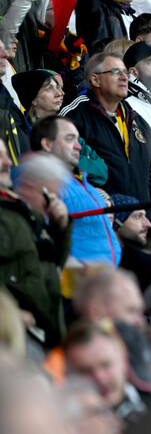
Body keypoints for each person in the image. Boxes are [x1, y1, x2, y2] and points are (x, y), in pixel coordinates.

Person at [61, 52, 151, 211]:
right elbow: (63, 170)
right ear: (95, 80)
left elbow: (149, 175)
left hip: (142, 223)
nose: (124, 77)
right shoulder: (73, 116)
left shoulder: (137, 120)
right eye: (115, 72)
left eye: (125, 72)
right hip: (102, 219)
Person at [0, 148, 71, 349]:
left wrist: (61, 228)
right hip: (14, 335)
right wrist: (9, 313)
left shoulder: (24, 215)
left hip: (44, 335)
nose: (8, 162)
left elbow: (53, 264)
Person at [29, 115, 120, 266]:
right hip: (76, 281)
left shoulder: (84, 185)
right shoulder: (37, 179)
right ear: (47, 144)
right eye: (70, 139)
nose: (78, 146)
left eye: (78, 140)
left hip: (100, 277)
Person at [62, 320, 147, 426]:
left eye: (105, 365)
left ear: (123, 359)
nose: (99, 378)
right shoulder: (57, 422)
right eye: (85, 371)